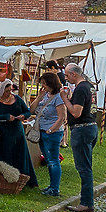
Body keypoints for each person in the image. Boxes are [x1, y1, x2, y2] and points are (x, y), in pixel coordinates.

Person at [0, 81, 34, 188]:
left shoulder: (17, 99)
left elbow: (28, 112)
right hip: (3, 133)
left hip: (17, 131)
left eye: (10, 90)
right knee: (6, 154)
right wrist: (5, 116)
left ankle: (22, 180)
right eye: (6, 91)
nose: (9, 93)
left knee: (19, 154)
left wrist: (23, 115)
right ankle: (4, 181)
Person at [65, 62, 98, 212]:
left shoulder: (80, 89)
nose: (66, 78)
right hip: (91, 126)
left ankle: (86, 202)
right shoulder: (90, 86)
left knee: (84, 168)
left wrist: (65, 99)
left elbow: (76, 112)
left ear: (74, 74)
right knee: (87, 166)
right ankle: (87, 200)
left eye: (67, 75)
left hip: (82, 129)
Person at [33, 70, 66, 198]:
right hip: (42, 131)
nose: (43, 86)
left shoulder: (58, 97)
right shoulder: (45, 96)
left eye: (44, 84)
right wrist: (39, 97)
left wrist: (51, 130)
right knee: (48, 160)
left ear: (50, 83)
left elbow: (61, 117)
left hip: (52, 132)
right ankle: (52, 186)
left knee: (53, 160)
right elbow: (31, 109)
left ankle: (55, 188)